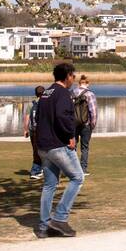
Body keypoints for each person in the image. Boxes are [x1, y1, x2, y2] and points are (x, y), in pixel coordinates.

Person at [35, 62, 84, 237]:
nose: (74, 79)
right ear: (67, 76)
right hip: (58, 145)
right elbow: (63, 117)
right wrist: (71, 136)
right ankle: (60, 219)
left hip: (43, 146)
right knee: (77, 178)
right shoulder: (63, 93)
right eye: (73, 76)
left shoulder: (46, 93)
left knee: (49, 185)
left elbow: (39, 118)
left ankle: (44, 227)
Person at [72, 74, 99, 176]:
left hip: (74, 124)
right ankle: (83, 169)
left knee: (73, 147)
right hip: (85, 124)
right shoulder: (90, 94)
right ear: (87, 83)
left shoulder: (73, 93)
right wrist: (93, 124)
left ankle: (73, 169)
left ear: (79, 83)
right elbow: (93, 111)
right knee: (85, 147)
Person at [22, 86, 46, 180]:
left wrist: (25, 130)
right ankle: (35, 170)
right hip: (43, 131)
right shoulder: (46, 104)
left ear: (36, 94)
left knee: (36, 151)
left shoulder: (31, 104)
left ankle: (39, 169)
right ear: (44, 94)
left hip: (33, 131)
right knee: (43, 151)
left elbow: (27, 118)